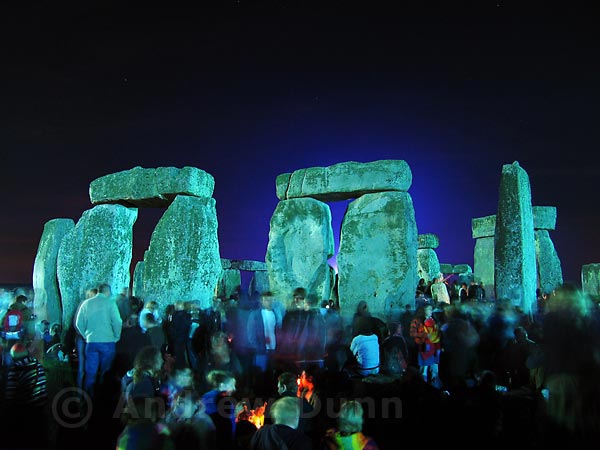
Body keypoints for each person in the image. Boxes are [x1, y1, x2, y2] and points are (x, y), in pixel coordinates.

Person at [75, 283, 122, 397]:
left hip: (91, 342)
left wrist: (85, 335)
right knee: (106, 372)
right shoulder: (111, 303)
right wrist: (117, 336)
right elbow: (117, 321)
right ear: (107, 292)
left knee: (90, 373)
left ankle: (88, 398)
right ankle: (102, 397)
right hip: (108, 341)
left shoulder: (86, 303)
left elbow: (78, 323)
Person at [2, 342, 49, 448]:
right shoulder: (37, 364)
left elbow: (9, 396)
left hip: (28, 410)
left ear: (13, 357)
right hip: (42, 406)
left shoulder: (16, 368)